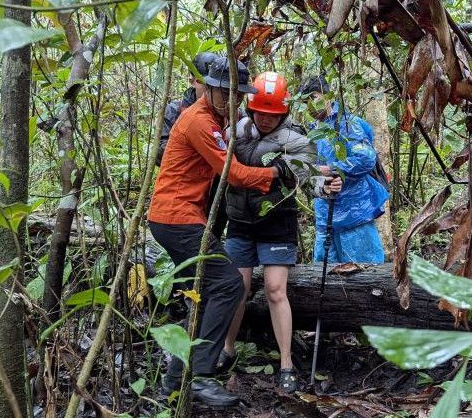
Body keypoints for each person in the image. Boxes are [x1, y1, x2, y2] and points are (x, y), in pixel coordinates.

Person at [147, 57, 298, 407]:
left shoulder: (217, 118)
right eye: (225, 93)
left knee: (207, 291)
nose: (232, 101)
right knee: (229, 285)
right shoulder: (200, 121)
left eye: (237, 95)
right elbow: (233, 173)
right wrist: (275, 174)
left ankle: (174, 381)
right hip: (176, 218)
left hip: (182, 217)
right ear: (210, 89)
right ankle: (199, 376)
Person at [215, 72, 342, 393]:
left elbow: (309, 176)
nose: (265, 119)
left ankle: (286, 362)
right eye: (259, 112)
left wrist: (325, 186)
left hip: (277, 224)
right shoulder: (236, 132)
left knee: (275, 290)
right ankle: (227, 350)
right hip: (240, 224)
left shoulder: (297, 141)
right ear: (250, 108)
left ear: (283, 112)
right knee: (236, 288)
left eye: (272, 114)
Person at [299, 75, 390, 264]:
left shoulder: (348, 124)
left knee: (362, 272)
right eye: (304, 102)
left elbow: (365, 158)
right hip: (325, 215)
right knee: (325, 273)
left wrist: (332, 169)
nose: (310, 106)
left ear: (328, 95)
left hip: (354, 213)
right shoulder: (313, 132)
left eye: (313, 98)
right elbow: (307, 173)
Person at [156, 51, 229, 239]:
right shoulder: (175, 110)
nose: (209, 89)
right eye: (204, 84)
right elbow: (160, 152)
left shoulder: (227, 110)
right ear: (193, 80)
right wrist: (199, 147)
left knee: (211, 240)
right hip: (185, 193)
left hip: (217, 192)